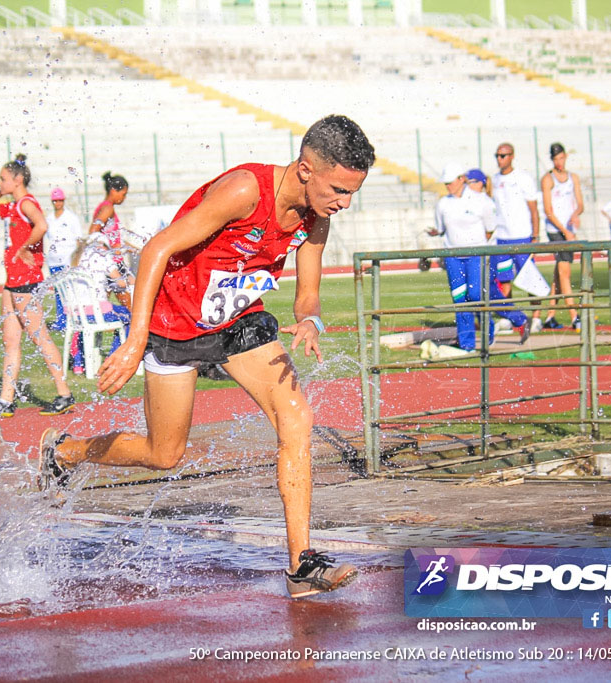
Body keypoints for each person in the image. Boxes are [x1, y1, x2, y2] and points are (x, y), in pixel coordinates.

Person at [38, 115, 374, 599]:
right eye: (339, 189)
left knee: (297, 417)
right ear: (305, 169)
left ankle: (301, 566)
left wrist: (310, 320)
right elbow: (157, 247)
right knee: (164, 454)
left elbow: (308, 293)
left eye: (352, 194)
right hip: (174, 323)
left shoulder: (316, 216)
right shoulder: (245, 190)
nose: (344, 203)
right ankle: (64, 451)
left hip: (239, 322)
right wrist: (134, 340)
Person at [0, 154, 75, 417]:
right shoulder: (13, 206)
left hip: (26, 282)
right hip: (12, 283)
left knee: (40, 337)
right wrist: (1, 189)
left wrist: (26, 246)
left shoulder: (27, 203)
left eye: (4, 178)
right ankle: (6, 401)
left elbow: (42, 224)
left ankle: (64, 394)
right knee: (11, 341)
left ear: (18, 180)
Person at [426, 164, 527, 351]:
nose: (448, 186)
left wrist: (478, 248)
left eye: (450, 182)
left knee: (476, 295)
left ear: (461, 179)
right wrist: (434, 233)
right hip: (453, 256)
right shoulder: (443, 204)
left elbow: (490, 229)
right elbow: (441, 229)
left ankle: (491, 333)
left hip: (476, 255)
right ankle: (467, 345)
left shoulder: (481, 201)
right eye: (446, 183)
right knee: (460, 299)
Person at [488, 142, 542, 332]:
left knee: (530, 278)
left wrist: (535, 235)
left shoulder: (523, 178)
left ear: (512, 156)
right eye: (497, 155)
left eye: (503, 156)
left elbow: (534, 210)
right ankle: (509, 316)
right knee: (504, 280)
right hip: (502, 237)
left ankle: (536, 318)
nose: (499, 159)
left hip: (522, 236)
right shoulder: (493, 180)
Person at [68, 232, 133, 375]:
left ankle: (78, 365)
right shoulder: (103, 256)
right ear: (103, 245)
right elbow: (121, 283)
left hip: (75, 313)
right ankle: (111, 360)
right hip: (96, 312)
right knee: (129, 317)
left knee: (82, 330)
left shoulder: (75, 257)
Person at [540, 143, 584, 331]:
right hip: (556, 230)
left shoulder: (573, 178)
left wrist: (576, 215)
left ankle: (550, 315)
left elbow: (580, 204)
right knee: (565, 272)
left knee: (560, 272)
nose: (559, 162)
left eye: (561, 158)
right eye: (556, 159)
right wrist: (565, 231)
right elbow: (549, 211)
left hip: (568, 230)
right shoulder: (548, 179)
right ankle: (575, 316)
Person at [44, 187, 84, 331]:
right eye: (55, 201)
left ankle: (73, 319)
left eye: (60, 200)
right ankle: (61, 320)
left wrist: (77, 260)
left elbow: (79, 240)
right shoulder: (48, 218)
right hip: (54, 260)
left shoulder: (71, 218)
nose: (58, 203)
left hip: (67, 259)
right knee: (58, 291)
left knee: (70, 291)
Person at [90, 171, 129, 269]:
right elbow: (93, 231)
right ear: (113, 190)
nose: (124, 198)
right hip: (111, 263)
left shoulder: (106, 207)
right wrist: (108, 250)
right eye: (123, 194)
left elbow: (114, 239)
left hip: (114, 261)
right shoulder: (108, 208)